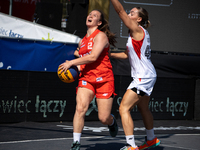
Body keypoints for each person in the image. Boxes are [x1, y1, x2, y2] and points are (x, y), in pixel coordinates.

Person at [59, 9, 118, 150]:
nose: (90, 16)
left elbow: (93, 57)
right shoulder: (82, 41)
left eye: (95, 15)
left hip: (104, 79)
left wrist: (72, 63)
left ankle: (112, 122)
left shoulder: (101, 36)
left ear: (99, 22)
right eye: (90, 14)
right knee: (80, 108)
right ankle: (76, 143)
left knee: (103, 118)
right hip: (87, 78)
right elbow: (83, 61)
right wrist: (75, 67)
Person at [109, 0, 160, 150]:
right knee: (144, 108)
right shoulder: (135, 34)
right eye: (129, 12)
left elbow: (119, 12)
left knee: (123, 108)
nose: (128, 14)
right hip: (147, 75)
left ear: (139, 19)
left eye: (132, 13)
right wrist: (109, 55)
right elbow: (126, 55)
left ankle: (131, 146)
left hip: (143, 77)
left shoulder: (137, 29)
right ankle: (151, 139)